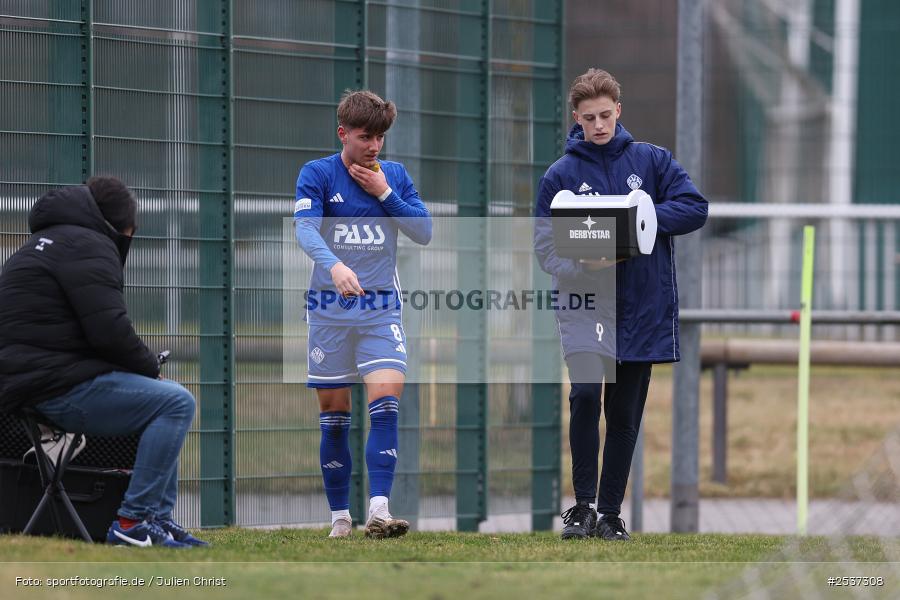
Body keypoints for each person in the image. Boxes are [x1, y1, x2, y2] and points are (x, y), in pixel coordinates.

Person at [534, 69, 708, 540]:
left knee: (625, 414)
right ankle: (583, 508)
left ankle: (610, 515)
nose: (598, 125)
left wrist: (643, 217)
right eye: (589, 118)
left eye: (606, 115)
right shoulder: (560, 175)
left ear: (619, 111)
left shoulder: (652, 161)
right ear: (576, 118)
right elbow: (546, 249)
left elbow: (695, 207)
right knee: (586, 395)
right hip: (586, 306)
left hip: (641, 309)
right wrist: (587, 262)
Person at [0, 177, 205, 549]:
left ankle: (159, 519)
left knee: (166, 397)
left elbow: (67, 332)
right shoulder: (89, 245)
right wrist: (149, 365)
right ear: (123, 225)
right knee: (175, 402)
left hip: (32, 381)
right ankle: (133, 522)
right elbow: (109, 330)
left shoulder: (44, 243)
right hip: (52, 388)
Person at [294, 90, 432, 539]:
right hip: (328, 313)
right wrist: (334, 266)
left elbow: (423, 230)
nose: (374, 146)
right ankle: (339, 518)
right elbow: (304, 229)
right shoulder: (316, 174)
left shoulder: (393, 176)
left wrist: (386, 193)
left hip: (380, 311)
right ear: (343, 134)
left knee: (386, 404)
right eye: (365, 137)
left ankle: (378, 510)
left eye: (380, 138)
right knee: (334, 416)